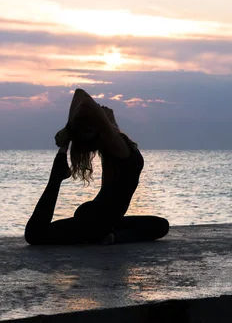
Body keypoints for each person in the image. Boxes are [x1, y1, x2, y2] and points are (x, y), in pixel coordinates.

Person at [24, 88, 169, 245]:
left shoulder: (115, 137)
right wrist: (68, 130)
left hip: (105, 219)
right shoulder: (113, 142)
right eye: (99, 111)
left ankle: (111, 236)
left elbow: (79, 93)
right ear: (100, 126)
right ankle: (56, 178)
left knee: (161, 225)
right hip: (95, 219)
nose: (102, 108)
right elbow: (86, 102)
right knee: (35, 235)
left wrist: (70, 128)